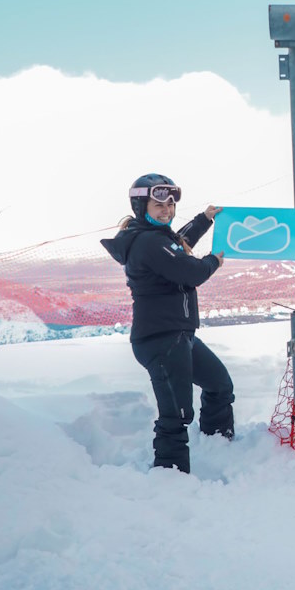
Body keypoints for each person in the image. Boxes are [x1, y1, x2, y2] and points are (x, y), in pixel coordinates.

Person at [100, 174, 234, 474]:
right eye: (159, 204)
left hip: (179, 335)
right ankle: (169, 474)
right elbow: (191, 271)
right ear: (140, 205)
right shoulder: (148, 241)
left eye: (171, 204)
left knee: (219, 385)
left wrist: (205, 219)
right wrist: (213, 260)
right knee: (176, 413)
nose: (167, 210)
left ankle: (219, 446)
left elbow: (179, 242)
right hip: (160, 339)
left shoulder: (156, 236)